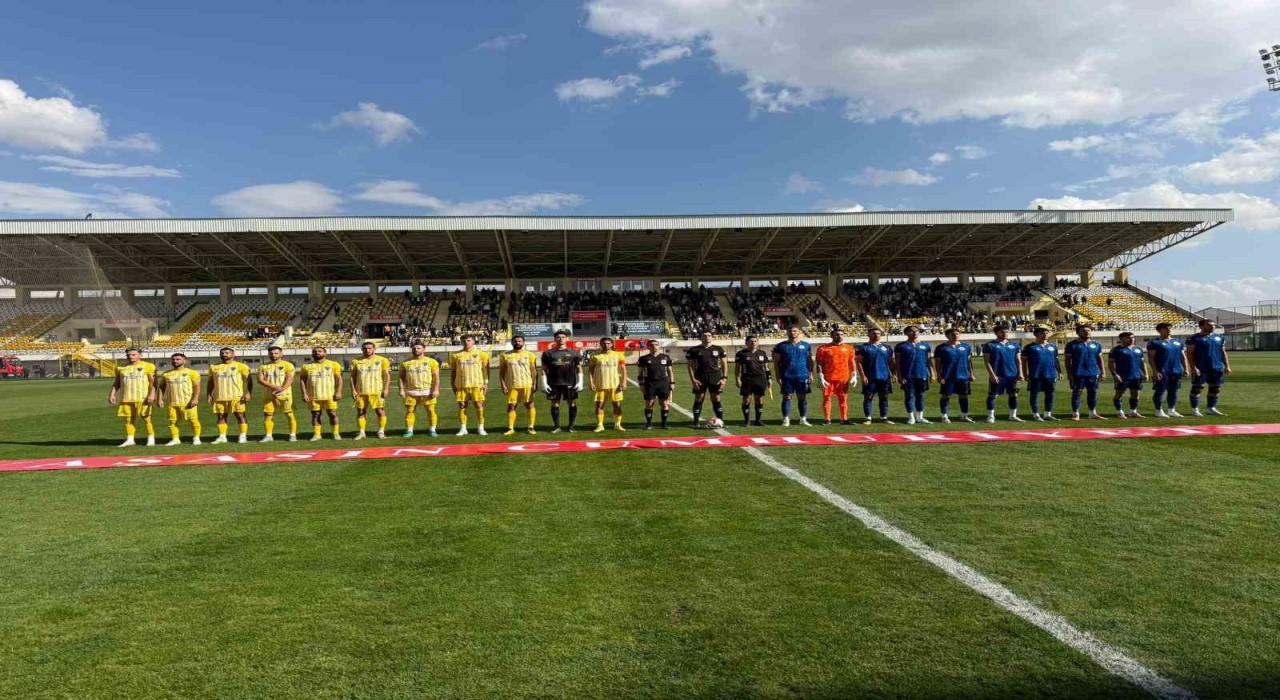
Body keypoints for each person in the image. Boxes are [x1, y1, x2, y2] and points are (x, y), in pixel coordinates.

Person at [109, 347, 156, 447]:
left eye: (133, 354)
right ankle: (130, 440)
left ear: (140, 355)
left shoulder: (148, 366)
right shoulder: (120, 368)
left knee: (146, 418)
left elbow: (153, 382)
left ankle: (151, 439)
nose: (130, 356)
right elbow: (117, 382)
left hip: (142, 398)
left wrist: (152, 394)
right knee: (128, 420)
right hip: (126, 398)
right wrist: (112, 393)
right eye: (129, 355)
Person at [207, 347, 252, 444]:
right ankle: (222, 437)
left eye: (227, 353)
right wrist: (209, 394)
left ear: (233, 354)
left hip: (237, 397)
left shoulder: (241, 366)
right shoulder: (214, 367)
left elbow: (249, 380)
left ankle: (243, 436)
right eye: (222, 353)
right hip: (219, 396)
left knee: (240, 416)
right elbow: (210, 382)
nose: (224, 354)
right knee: (221, 417)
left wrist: (248, 392)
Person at [1186, 319, 1230, 417]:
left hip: (1217, 367)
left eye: (1214, 325)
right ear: (1201, 326)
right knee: (1197, 388)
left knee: (1215, 388)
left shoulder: (1219, 338)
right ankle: (1195, 409)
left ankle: (1211, 408)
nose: (1212, 327)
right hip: (1201, 367)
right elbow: (1190, 354)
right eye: (1209, 325)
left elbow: (1223, 352)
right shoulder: (1194, 338)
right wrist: (1193, 368)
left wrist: (1227, 366)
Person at [541, 330, 583, 433]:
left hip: (570, 383)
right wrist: (544, 383)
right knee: (555, 404)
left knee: (572, 404)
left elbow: (579, 368)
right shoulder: (547, 353)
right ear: (555, 339)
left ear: (567, 339)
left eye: (563, 337)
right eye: (558, 337)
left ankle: (571, 427)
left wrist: (580, 381)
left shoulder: (574, 353)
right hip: (553, 383)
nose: (561, 339)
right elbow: (543, 369)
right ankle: (556, 427)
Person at [771, 325, 814, 427]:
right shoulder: (780, 346)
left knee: (802, 397)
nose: (792, 333)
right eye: (790, 331)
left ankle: (803, 419)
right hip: (787, 375)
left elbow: (810, 361)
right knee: (787, 396)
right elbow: (776, 363)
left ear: (799, 332)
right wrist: (778, 376)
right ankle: (786, 419)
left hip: (802, 375)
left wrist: (810, 373)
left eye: (795, 331)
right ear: (787, 332)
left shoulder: (806, 345)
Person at [157, 352, 202, 446]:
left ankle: (196, 438)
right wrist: (160, 399)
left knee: (193, 420)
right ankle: (175, 439)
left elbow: (197, 387)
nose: (175, 361)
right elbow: (161, 387)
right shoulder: (166, 374)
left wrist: (195, 398)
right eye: (173, 359)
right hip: (172, 402)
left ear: (184, 360)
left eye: (178, 359)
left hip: (188, 402)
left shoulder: (192, 373)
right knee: (172, 422)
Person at [685, 331, 728, 428]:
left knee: (716, 397)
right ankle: (696, 422)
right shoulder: (694, 350)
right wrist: (693, 380)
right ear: (701, 338)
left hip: (715, 376)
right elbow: (690, 366)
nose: (707, 337)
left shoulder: (719, 349)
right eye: (704, 336)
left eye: (709, 336)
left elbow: (724, 364)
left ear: (712, 337)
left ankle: (720, 421)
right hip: (700, 376)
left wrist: (724, 378)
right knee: (699, 397)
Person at [349, 341, 391, 439]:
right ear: (362, 349)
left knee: (380, 411)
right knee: (360, 412)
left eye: (369, 348)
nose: (367, 350)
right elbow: (352, 377)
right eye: (365, 348)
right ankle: (362, 432)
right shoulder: (356, 361)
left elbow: (386, 375)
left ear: (374, 349)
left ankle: (381, 431)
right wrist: (353, 390)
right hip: (361, 391)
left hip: (377, 391)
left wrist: (386, 389)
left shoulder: (382, 360)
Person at [299, 346, 343, 440]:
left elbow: (339, 379)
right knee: (315, 414)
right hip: (313, 395)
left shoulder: (333, 364)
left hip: (330, 395)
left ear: (325, 353)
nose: (317, 353)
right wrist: (304, 393)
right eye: (314, 351)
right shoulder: (306, 366)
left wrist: (338, 392)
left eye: (319, 351)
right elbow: (302, 380)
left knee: (332, 414)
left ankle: (335, 433)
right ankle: (317, 434)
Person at [450, 334, 490, 436]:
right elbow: (453, 372)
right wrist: (453, 384)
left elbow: (486, 370)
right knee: (462, 406)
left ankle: (481, 428)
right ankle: (463, 428)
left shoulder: (482, 354)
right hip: (461, 385)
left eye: (468, 340)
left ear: (473, 341)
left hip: (477, 385)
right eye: (463, 341)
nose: (466, 342)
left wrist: (486, 383)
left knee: (479, 405)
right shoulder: (455, 355)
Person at [1064, 324, 1106, 420]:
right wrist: (1069, 373)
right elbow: (1067, 361)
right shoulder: (1071, 345)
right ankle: (1075, 414)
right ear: (1077, 332)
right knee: (1077, 393)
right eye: (1083, 331)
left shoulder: (1096, 344)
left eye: (1088, 330)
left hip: (1093, 373)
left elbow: (1100, 359)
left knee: (1092, 393)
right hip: (1078, 373)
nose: (1087, 332)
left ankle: (1092, 413)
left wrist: (1103, 372)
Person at [1147, 322, 1189, 418]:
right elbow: (1151, 358)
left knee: (1174, 391)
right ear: (1159, 330)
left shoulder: (1178, 342)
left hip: (1176, 370)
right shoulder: (1154, 343)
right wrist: (1155, 371)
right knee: (1160, 390)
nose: (1168, 329)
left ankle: (1171, 410)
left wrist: (1186, 368)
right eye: (1165, 328)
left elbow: (1183, 356)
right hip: (1162, 371)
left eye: (1169, 328)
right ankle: (1159, 410)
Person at [893, 326, 933, 425]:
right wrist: (899, 376)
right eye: (911, 331)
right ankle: (911, 417)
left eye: (916, 330)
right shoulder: (901, 346)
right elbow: (897, 362)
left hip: (922, 374)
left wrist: (932, 373)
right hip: (907, 375)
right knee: (909, 396)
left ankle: (920, 417)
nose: (914, 332)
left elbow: (928, 361)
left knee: (921, 396)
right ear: (906, 333)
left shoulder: (925, 345)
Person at [816, 328, 857, 425]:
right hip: (828, 379)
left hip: (843, 378)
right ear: (832, 336)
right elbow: (819, 363)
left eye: (841, 334)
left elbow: (851, 362)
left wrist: (854, 374)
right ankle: (827, 420)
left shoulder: (849, 348)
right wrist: (820, 376)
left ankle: (844, 419)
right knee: (827, 398)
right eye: (837, 334)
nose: (839, 336)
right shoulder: (823, 348)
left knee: (843, 399)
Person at [983, 325, 1024, 422]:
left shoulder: (1015, 345)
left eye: (1007, 332)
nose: (1005, 333)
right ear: (996, 333)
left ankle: (1012, 416)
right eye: (1002, 332)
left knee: (1013, 395)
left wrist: (1020, 373)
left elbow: (1018, 360)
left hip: (1012, 375)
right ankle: (991, 416)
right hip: (998, 375)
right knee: (993, 395)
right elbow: (987, 361)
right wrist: (992, 375)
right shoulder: (989, 345)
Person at [400, 341, 441, 438]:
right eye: (414, 348)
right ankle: (409, 431)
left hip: (427, 391)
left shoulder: (432, 362)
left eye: (418, 348)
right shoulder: (405, 363)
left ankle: (432, 430)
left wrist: (436, 389)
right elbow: (401, 377)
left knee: (431, 411)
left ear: (424, 349)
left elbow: (436, 377)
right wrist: (401, 389)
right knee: (410, 411)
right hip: (411, 391)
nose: (416, 350)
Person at [256, 346, 297, 442]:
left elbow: (290, 379)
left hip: (285, 394)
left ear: (281, 354)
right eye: (271, 353)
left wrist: (281, 389)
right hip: (269, 394)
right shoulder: (263, 366)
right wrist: (274, 387)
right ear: (268, 354)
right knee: (268, 414)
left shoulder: (288, 365)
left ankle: (292, 435)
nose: (273, 355)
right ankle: (269, 436)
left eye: (276, 353)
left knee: (289, 414)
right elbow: (260, 380)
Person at [933, 328, 974, 423]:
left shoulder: (966, 347)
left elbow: (969, 362)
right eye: (953, 334)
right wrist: (939, 375)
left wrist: (971, 374)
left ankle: (964, 415)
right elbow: (938, 363)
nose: (956, 336)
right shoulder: (941, 348)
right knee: (946, 396)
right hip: (948, 376)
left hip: (963, 376)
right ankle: (944, 416)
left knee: (964, 396)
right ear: (947, 335)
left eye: (957, 334)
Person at [499, 335, 539, 435]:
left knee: (530, 405)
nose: (517, 343)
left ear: (523, 342)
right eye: (515, 341)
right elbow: (502, 372)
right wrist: (503, 385)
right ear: (512, 343)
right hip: (512, 385)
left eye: (520, 341)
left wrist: (535, 383)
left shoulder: (530, 355)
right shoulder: (505, 355)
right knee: (511, 406)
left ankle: (530, 427)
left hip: (527, 384)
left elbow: (534, 371)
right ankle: (510, 428)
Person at [1020, 326, 1061, 421]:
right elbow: (1023, 361)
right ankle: (1036, 414)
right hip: (1035, 375)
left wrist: (1059, 372)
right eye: (1042, 333)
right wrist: (1025, 373)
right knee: (1034, 395)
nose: (1045, 335)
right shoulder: (1029, 347)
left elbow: (1056, 360)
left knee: (1050, 394)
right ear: (1036, 335)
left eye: (1046, 333)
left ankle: (1047, 414)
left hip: (1050, 375)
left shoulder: (1053, 346)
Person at [856, 327, 894, 425]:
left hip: (884, 377)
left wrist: (893, 374)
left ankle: (884, 417)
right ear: (869, 335)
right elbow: (859, 362)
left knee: (884, 397)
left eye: (878, 333)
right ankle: (868, 418)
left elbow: (890, 362)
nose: (876, 335)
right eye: (873, 333)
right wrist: (863, 376)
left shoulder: (887, 348)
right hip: (870, 377)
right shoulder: (863, 348)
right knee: (868, 397)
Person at [588, 337, 628, 432]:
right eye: (604, 343)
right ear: (600, 344)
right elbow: (590, 370)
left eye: (608, 343)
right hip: (600, 385)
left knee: (617, 405)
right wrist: (591, 382)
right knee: (599, 405)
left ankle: (617, 425)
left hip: (615, 385)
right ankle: (600, 425)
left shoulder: (618, 355)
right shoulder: (595, 356)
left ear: (612, 344)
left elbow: (623, 369)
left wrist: (624, 382)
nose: (606, 345)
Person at [637, 339, 675, 429]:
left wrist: (672, 383)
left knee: (664, 403)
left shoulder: (666, 357)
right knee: (649, 403)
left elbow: (670, 371)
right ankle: (649, 424)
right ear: (648, 347)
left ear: (659, 346)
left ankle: (664, 424)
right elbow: (640, 373)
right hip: (649, 383)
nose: (654, 346)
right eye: (651, 345)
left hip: (663, 382)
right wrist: (641, 384)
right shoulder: (643, 358)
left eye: (656, 344)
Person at [734, 335, 772, 426]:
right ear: (746, 343)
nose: (753, 343)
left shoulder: (762, 353)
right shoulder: (741, 354)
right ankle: (747, 421)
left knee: (759, 399)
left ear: (758, 343)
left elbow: (766, 367)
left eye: (755, 341)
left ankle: (758, 420)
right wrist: (737, 379)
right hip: (747, 379)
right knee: (746, 399)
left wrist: (769, 378)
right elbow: (737, 368)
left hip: (760, 379)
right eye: (751, 341)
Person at [1109, 332, 1147, 419]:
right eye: (1128, 338)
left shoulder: (1138, 349)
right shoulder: (1116, 350)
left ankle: (1133, 412)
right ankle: (1119, 412)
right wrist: (1115, 374)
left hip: (1136, 376)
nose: (1131, 339)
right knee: (1119, 393)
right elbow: (1111, 364)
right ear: (1121, 339)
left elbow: (1142, 362)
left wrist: (1145, 373)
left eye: (1133, 337)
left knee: (1135, 393)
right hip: (1122, 376)